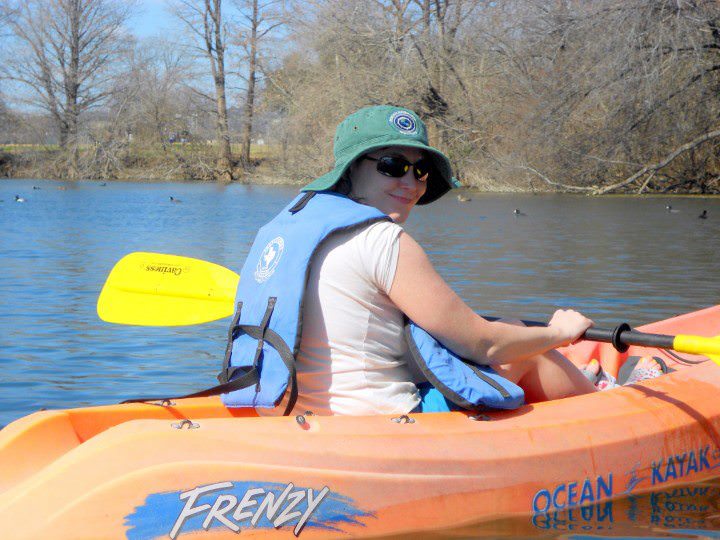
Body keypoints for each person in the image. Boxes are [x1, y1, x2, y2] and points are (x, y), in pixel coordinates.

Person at [219, 105, 663, 416]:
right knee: (533, 355)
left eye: (420, 170)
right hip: (377, 420)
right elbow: (483, 346)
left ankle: (586, 380)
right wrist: (558, 334)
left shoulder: (278, 233)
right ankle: (607, 405)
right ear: (351, 168)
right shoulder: (381, 240)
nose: (410, 182)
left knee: (509, 325)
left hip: (294, 410)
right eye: (392, 164)